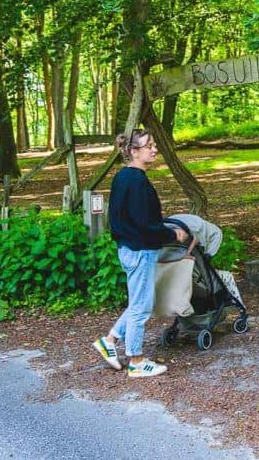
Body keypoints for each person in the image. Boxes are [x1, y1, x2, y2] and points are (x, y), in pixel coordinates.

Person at [92, 128, 188, 378]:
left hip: (129, 248)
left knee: (138, 303)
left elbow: (131, 220)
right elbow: (144, 226)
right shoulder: (136, 182)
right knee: (141, 309)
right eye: (149, 146)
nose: (155, 149)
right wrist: (172, 235)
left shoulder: (123, 177)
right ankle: (136, 360)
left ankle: (110, 341)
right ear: (134, 151)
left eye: (154, 144)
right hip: (140, 250)